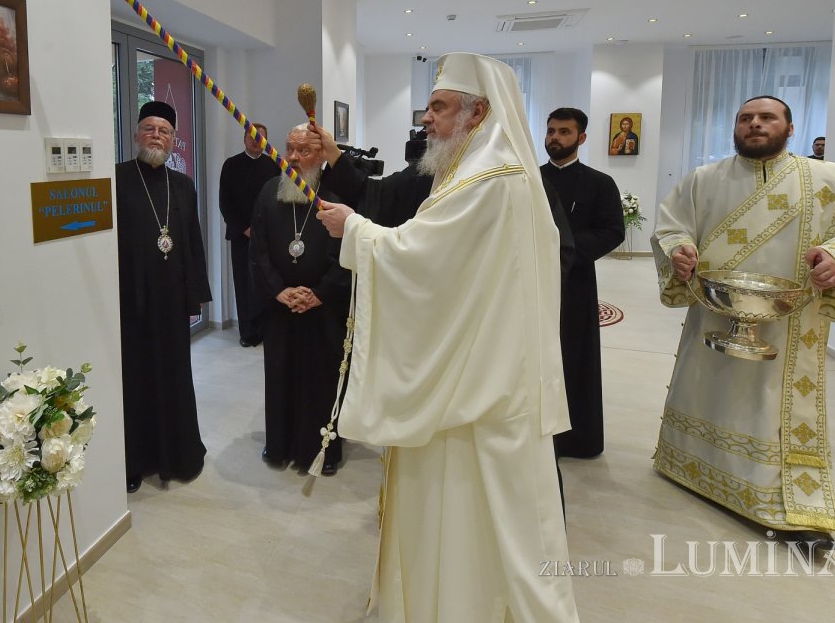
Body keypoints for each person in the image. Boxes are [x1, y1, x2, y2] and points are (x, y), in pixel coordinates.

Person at [317, 53, 578, 621]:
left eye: (438, 106)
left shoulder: (491, 178)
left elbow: (423, 259)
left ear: (478, 111)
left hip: (482, 390)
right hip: (478, 372)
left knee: (483, 513)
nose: (426, 119)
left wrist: (354, 231)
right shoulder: (475, 169)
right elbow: (438, 257)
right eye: (428, 107)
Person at [651, 95, 835, 553]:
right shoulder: (703, 180)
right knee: (707, 387)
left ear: (790, 127)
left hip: (791, 324)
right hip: (713, 316)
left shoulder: (831, 182)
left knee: (771, 408)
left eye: (766, 117)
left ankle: (785, 502)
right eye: (745, 118)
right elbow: (670, 227)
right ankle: (692, 466)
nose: (755, 124)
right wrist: (679, 252)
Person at [115, 101, 212, 494]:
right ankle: (133, 461)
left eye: (165, 131)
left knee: (174, 378)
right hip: (131, 301)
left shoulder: (183, 184)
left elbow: (191, 242)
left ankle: (177, 455)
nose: (157, 135)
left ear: (174, 141)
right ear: (136, 135)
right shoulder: (115, 178)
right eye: (150, 128)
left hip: (170, 302)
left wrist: (196, 296)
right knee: (134, 381)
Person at [249, 124, 351, 474]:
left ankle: (323, 451)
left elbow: (346, 254)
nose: (292, 157)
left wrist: (319, 293)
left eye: (303, 150)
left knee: (321, 381)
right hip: (281, 308)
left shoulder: (336, 195)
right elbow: (258, 250)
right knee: (280, 375)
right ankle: (279, 445)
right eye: (289, 148)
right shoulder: (268, 192)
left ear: (321, 155)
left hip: (323, 309)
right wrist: (279, 290)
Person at [540, 108, 625, 459]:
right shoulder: (529, 178)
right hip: (531, 281)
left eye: (564, 132)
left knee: (573, 356)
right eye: (550, 131)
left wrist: (566, 252)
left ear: (581, 138)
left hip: (574, 283)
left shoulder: (600, 183)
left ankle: (574, 439)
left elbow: (613, 231)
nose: (555, 138)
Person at [218, 124, 280, 347]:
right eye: (252, 136)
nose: (256, 141)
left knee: (266, 283)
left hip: (268, 237)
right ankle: (247, 333)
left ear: (266, 141)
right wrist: (245, 228)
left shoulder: (274, 165)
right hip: (241, 236)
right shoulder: (231, 165)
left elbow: (278, 201)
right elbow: (225, 203)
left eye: (261, 137)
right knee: (244, 284)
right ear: (244, 138)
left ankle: (265, 330)